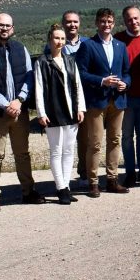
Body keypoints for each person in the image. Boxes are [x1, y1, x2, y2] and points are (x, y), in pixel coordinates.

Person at [0, 12, 40, 212]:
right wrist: (6, 105)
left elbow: (30, 76)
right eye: (1, 25)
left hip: (19, 111)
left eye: (8, 26)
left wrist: (19, 100)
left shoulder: (21, 48)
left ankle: (28, 191)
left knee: (23, 153)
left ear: (13, 28)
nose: (4, 29)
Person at [76, 7, 131, 196]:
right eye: (102, 21)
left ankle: (112, 179)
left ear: (114, 23)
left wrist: (125, 83)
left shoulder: (120, 46)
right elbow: (81, 73)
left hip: (117, 100)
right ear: (96, 23)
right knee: (95, 143)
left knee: (115, 140)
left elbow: (126, 72)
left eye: (109, 22)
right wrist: (101, 81)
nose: (106, 25)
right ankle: (93, 183)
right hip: (97, 101)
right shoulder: (88, 45)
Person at [35, 23, 86, 204]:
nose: (60, 42)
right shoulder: (42, 62)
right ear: (50, 40)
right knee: (56, 151)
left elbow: (77, 85)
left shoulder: (70, 60)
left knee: (69, 150)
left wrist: (81, 108)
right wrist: (41, 112)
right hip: (52, 111)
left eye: (62, 38)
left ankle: (67, 186)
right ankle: (60, 188)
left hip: (71, 110)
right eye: (56, 38)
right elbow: (39, 88)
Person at [115, 5, 140, 187]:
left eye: (136, 18)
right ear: (125, 21)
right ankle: (130, 172)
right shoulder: (118, 40)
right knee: (126, 136)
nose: (133, 22)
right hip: (125, 98)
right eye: (129, 19)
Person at [45, 10, 86, 180]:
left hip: (80, 101)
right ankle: (61, 184)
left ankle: (82, 175)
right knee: (59, 147)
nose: (72, 25)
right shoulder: (49, 50)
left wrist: (81, 105)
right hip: (59, 104)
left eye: (75, 21)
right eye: (68, 22)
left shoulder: (87, 44)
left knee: (84, 141)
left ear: (79, 23)